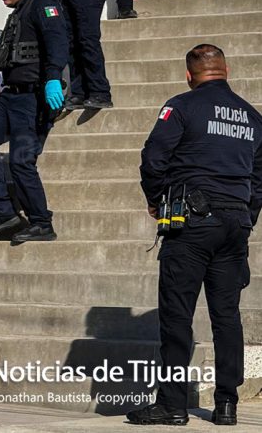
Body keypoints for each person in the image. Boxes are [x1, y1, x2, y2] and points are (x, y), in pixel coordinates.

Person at [130, 44, 260, 426]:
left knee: (176, 315)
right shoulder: (253, 118)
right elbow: (260, 179)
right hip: (235, 224)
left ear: (190, 75)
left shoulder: (181, 106)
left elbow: (153, 157)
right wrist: (245, 216)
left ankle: (172, 404)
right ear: (226, 70)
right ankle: (226, 404)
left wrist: (156, 200)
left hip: (191, 223)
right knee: (227, 316)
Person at [0, 0, 69, 243]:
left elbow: (57, 42)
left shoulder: (42, 4)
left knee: (21, 161)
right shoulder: (17, 12)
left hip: (34, 97)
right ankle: (4, 211)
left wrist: (53, 77)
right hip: (10, 96)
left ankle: (41, 222)